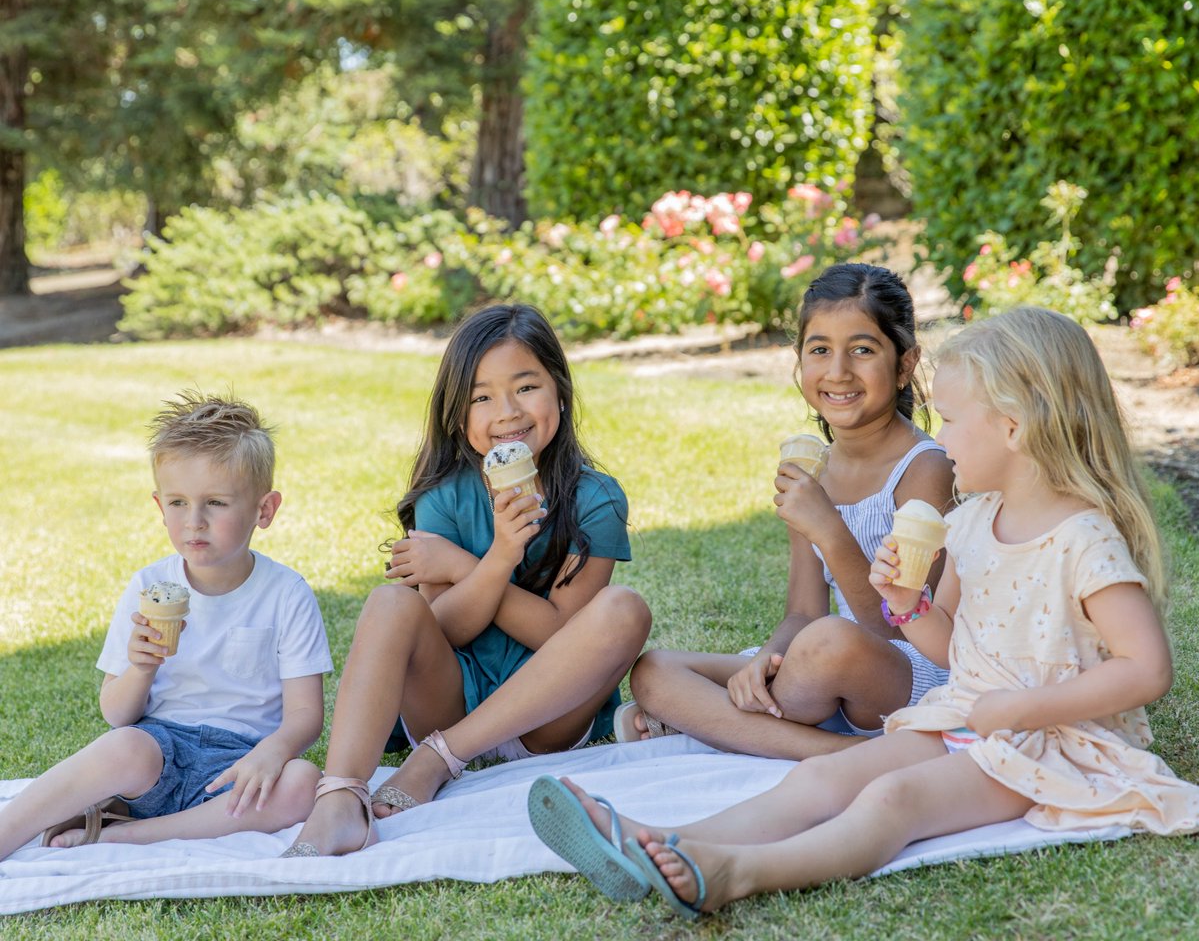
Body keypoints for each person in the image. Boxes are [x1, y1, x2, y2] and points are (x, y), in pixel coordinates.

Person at [529, 307, 1199, 917]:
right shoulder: (972, 524)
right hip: (965, 718)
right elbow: (952, 651)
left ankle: (740, 870)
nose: (944, 439)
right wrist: (909, 609)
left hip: (1051, 745)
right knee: (827, 776)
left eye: (953, 421)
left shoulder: (1084, 538)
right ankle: (657, 842)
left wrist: (1020, 711)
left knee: (892, 800)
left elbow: (1146, 671)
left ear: (1013, 428)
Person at [283, 303, 651, 857]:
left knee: (625, 610)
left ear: (560, 393)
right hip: (448, 702)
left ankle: (439, 760)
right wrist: (501, 556)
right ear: (458, 416)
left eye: (526, 387)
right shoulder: (444, 499)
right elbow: (442, 630)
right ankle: (340, 798)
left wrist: (467, 564)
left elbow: (562, 636)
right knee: (389, 605)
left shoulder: (595, 499)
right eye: (482, 397)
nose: (506, 412)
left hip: (547, 721)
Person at [617, 263, 955, 757]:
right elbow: (802, 610)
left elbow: (902, 624)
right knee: (654, 670)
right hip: (816, 659)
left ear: (905, 364)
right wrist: (771, 657)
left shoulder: (925, 468)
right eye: (819, 350)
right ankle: (828, 751)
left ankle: (722, 723)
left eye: (862, 350)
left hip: (902, 669)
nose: (838, 371)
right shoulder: (812, 471)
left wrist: (829, 529)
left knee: (830, 642)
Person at [0, 392, 331, 862]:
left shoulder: (286, 594)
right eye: (178, 502)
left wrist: (274, 752)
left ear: (264, 510)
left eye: (215, 502)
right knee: (123, 746)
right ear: (160, 506)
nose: (194, 521)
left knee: (303, 784)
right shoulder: (150, 585)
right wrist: (139, 668)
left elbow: (305, 715)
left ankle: (124, 835)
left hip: (238, 769)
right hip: (160, 751)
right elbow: (116, 713)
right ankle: (9, 828)